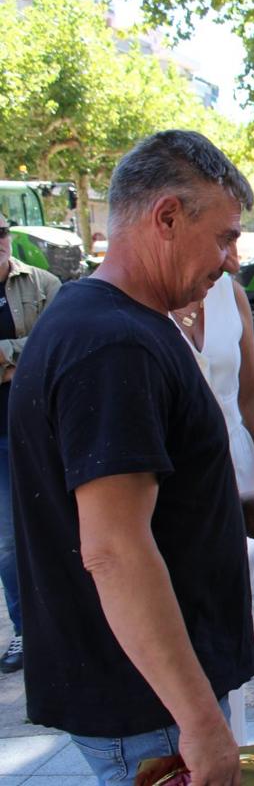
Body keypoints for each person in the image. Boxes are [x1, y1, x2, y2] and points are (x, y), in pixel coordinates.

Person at [9, 130, 254, 785]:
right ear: (167, 217)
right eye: (225, 237)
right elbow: (113, 549)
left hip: (144, 698)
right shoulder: (116, 346)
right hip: (148, 709)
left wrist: (227, 511)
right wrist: (201, 725)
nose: (231, 261)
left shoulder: (107, 319)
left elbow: (123, 495)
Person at [170, 268, 254, 743]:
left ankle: (231, 738)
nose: (230, 254)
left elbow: (253, 394)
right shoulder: (142, 297)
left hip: (233, 461)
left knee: (228, 609)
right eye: (223, 237)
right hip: (176, 470)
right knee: (180, 612)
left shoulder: (230, 293)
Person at [0, 220, 62, 674]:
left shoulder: (44, 283)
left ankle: (64, 628)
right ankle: (27, 632)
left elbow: (50, 345)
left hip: (37, 430)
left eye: (1, 233)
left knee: (58, 528)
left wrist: (7, 354)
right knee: (7, 542)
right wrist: (16, 355)